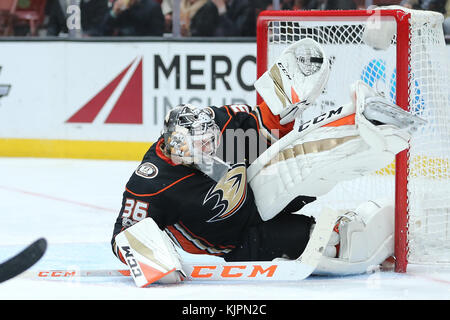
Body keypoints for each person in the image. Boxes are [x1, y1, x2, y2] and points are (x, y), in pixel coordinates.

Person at [111, 38, 423, 285]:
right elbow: (123, 235)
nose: (210, 148)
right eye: (201, 147)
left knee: (305, 158)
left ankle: (367, 127)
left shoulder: (216, 122)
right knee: (330, 243)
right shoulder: (150, 181)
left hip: (255, 192)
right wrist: (154, 262)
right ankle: (359, 237)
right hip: (231, 242)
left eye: (211, 141)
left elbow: (262, 125)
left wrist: (283, 112)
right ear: (176, 147)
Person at [98, 0, 164, 36]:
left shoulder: (152, 7)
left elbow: (157, 35)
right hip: (118, 48)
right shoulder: (117, 5)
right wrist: (114, 13)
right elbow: (103, 31)